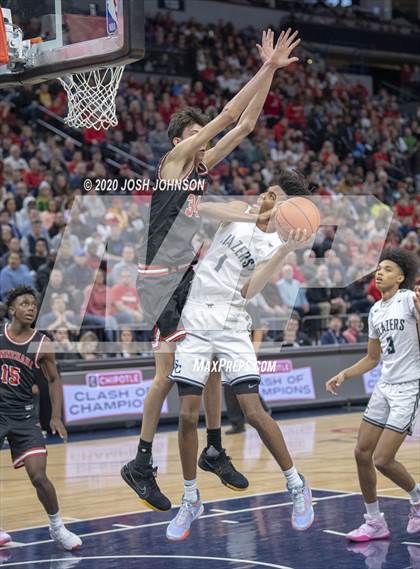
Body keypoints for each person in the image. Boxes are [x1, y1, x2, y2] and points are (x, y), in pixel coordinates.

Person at [121, 28, 301, 511]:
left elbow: (241, 127)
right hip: (161, 280)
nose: (202, 143)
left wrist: (272, 78)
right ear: (181, 140)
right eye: (194, 136)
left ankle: (215, 447)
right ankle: (140, 462)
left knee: (215, 359)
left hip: (186, 276)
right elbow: (224, 116)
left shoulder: (199, 169)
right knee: (167, 376)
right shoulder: (174, 162)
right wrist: (266, 66)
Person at [166, 181, 315, 541]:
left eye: (275, 198)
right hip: (196, 317)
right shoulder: (239, 211)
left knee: (253, 412)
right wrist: (253, 210)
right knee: (186, 415)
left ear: (286, 208)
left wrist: (285, 250)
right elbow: (204, 209)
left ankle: (296, 484)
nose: (266, 197)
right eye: (267, 191)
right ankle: (190, 498)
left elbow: (250, 290)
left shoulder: (274, 244)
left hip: (233, 322)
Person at [326, 248, 420, 541]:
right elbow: (372, 358)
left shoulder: (409, 300)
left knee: (382, 459)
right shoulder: (375, 310)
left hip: (410, 386)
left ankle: (417, 500)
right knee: (361, 452)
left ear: (402, 277)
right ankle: (374, 520)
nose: (380, 272)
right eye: (379, 268)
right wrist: (344, 374)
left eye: (389, 269)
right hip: (385, 385)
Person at [0, 286, 82, 550]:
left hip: (24, 416)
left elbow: (54, 379)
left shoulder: (42, 343)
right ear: (12, 310)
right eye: (24, 304)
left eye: (34, 304)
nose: (31, 308)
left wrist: (56, 417)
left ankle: (57, 527)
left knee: (38, 476)